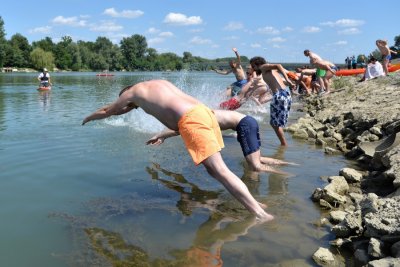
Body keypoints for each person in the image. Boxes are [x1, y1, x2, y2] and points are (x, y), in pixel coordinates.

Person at [81, 79, 274, 222]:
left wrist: (89, 117)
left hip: (192, 119)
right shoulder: (158, 84)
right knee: (214, 170)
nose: (133, 108)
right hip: (205, 113)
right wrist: (162, 134)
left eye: (132, 106)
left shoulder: (131, 93)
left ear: (127, 94)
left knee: (219, 171)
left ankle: (260, 214)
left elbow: (110, 110)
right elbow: (167, 109)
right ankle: (256, 204)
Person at [147, 109, 296, 174]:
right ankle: (293, 165)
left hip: (244, 125)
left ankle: (287, 175)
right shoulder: (200, 112)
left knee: (255, 166)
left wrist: (161, 135)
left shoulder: (195, 117)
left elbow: (178, 129)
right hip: (249, 122)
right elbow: (179, 129)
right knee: (258, 159)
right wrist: (162, 135)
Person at [249, 56, 294, 146]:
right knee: (277, 123)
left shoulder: (263, 67)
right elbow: (279, 77)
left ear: (258, 64)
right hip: (286, 94)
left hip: (279, 96)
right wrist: (289, 81)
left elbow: (278, 65)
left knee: (274, 124)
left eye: (253, 66)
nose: (253, 69)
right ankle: (284, 144)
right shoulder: (271, 70)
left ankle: (284, 144)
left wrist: (288, 80)